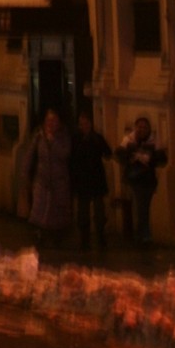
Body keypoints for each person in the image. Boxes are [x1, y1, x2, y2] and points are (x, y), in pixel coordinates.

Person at [25, 105, 73, 257]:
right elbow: (30, 154)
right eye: (48, 120)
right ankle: (40, 235)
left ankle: (57, 237)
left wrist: (54, 142)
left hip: (59, 180)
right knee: (40, 209)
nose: (51, 124)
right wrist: (25, 173)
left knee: (58, 210)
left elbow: (65, 153)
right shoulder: (39, 135)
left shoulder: (63, 136)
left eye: (54, 121)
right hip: (42, 179)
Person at [69, 106, 113, 256]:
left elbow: (108, 153)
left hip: (96, 179)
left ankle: (100, 236)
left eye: (86, 123)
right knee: (83, 212)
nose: (83, 126)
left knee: (99, 212)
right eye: (81, 124)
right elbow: (72, 158)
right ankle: (85, 239)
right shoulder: (75, 138)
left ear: (90, 124)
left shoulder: (97, 138)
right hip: (82, 180)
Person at [121, 114, 168, 246]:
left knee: (144, 207)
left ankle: (143, 234)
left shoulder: (153, 141)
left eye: (145, 127)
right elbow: (120, 154)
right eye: (140, 127)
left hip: (148, 179)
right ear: (136, 128)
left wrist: (149, 158)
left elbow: (161, 158)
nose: (142, 129)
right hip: (135, 179)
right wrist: (132, 156)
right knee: (141, 207)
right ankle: (143, 235)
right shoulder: (129, 140)